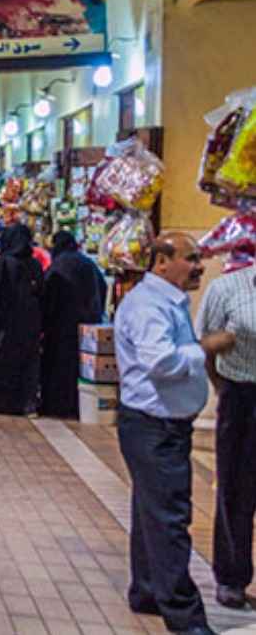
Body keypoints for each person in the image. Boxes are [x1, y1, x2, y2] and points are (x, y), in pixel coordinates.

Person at [116, 234, 235, 635]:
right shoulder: (150, 306)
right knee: (169, 519)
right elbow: (161, 362)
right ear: (162, 262)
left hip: (157, 425)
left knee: (151, 510)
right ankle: (186, 619)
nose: (200, 266)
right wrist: (207, 347)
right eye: (191, 258)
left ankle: (147, 589)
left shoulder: (166, 300)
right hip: (155, 428)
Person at [196, 256, 256, 611]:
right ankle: (231, 577)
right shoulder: (227, 288)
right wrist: (224, 389)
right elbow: (205, 344)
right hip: (241, 396)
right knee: (236, 488)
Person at [0, 223, 44, 416]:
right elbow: (40, 290)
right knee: (27, 363)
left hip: (7, 319)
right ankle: (27, 403)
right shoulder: (35, 263)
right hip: (30, 320)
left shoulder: (5, 262)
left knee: (1, 358)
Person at [39, 231, 107, 419]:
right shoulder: (87, 263)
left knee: (58, 368)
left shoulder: (59, 265)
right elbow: (102, 287)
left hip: (61, 326)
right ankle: (78, 406)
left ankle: (57, 406)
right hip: (87, 324)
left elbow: (49, 295)